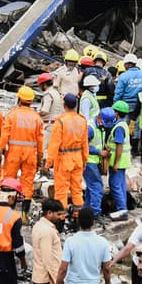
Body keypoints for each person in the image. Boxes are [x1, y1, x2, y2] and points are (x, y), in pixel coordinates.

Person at [1, 85, 45, 215]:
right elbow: (40, 140)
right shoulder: (37, 118)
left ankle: (8, 212)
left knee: (10, 180)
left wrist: (0, 150)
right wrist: (39, 157)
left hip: (14, 153)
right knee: (27, 182)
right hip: (30, 154)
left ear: (19, 99)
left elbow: (5, 135)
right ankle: (25, 214)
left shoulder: (11, 115)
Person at [46, 94, 89, 224]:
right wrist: (84, 160)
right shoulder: (82, 120)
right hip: (77, 159)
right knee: (77, 190)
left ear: (64, 105)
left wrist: (48, 163)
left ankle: (61, 220)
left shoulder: (61, 121)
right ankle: (77, 219)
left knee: (61, 192)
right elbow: (85, 144)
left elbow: (54, 144)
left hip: (64, 160)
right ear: (76, 105)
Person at [105, 102, 133, 216]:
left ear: (116, 113)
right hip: (123, 161)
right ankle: (123, 208)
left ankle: (122, 211)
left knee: (115, 186)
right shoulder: (123, 124)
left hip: (118, 162)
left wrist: (116, 163)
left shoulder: (118, 127)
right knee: (121, 186)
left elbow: (119, 146)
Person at [85, 109, 112, 215]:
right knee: (97, 187)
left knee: (90, 188)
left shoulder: (102, 127)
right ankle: (95, 213)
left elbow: (98, 140)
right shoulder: (90, 128)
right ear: (99, 118)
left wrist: (104, 145)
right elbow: (83, 146)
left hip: (95, 161)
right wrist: (99, 152)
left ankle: (87, 211)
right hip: (89, 161)